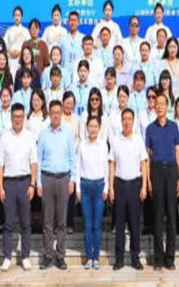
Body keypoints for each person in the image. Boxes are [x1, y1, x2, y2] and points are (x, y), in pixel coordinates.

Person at [0, 102, 38, 271]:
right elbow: (0, 164)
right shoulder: (4, 137)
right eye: (15, 117)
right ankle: (7, 256)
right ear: (11, 117)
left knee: (25, 222)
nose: (18, 120)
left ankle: (25, 256)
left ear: (24, 118)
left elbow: (34, 162)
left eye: (21, 117)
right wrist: (0, 187)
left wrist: (32, 184)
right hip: (9, 183)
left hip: (25, 182)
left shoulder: (29, 137)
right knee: (8, 223)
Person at [145, 92, 179, 270]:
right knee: (158, 216)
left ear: (167, 107)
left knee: (172, 216)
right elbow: (147, 156)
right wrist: (148, 179)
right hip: (156, 171)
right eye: (157, 103)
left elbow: (178, 152)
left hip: (171, 171)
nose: (159, 106)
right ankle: (158, 258)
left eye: (162, 103)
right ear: (154, 107)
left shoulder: (173, 127)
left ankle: (170, 258)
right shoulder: (150, 128)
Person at [36, 100, 76, 270]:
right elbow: (38, 159)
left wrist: (72, 179)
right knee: (47, 221)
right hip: (47, 179)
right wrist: (38, 182)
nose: (55, 115)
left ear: (61, 114)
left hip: (63, 179)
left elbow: (72, 158)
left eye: (58, 112)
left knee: (62, 221)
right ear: (49, 114)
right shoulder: (43, 134)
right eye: (53, 112)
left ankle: (60, 255)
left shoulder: (68, 133)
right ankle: (47, 255)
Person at [109, 108, 148, 270]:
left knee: (134, 225)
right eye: (124, 119)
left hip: (135, 185)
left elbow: (144, 163)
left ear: (133, 121)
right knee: (119, 225)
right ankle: (119, 259)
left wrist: (144, 186)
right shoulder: (116, 140)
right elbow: (112, 164)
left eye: (129, 119)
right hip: (119, 185)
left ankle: (135, 258)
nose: (126, 122)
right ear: (121, 121)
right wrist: (111, 187)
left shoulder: (138, 139)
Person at [75, 115, 109, 270]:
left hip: (99, 185)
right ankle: (89, 257)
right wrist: (78, 188)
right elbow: (77, 167)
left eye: (95, 126)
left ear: (99, 128)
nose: (93, 129)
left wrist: (106, 188)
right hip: (85, 186)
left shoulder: (103, 146)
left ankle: (96, 257)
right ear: (87, 128)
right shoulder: (82, 145)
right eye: (90, 126)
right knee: (88, 224)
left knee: (97, 224)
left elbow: (106, 168)